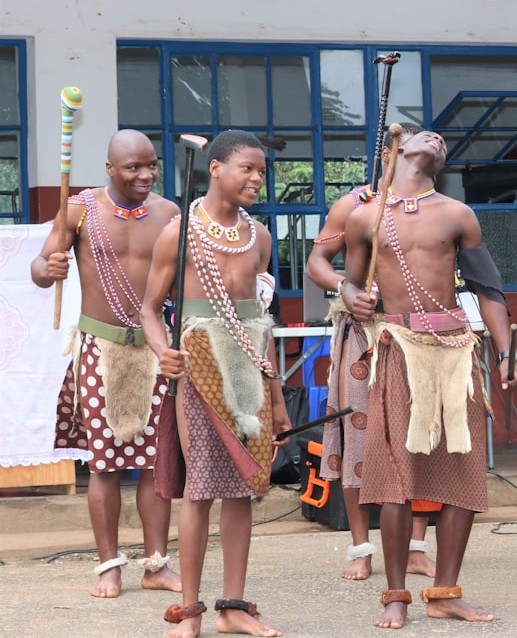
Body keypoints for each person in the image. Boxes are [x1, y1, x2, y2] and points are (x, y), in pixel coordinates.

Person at [341, 129, 517, 629]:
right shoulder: (366, 216)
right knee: (398, 475)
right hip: (399, 352)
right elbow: (352, 286)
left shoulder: (457, 214)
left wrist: (508, 351)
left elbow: (489, 289)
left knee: (462, 474)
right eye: (425, 132)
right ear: (395, 150)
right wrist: (349, 294)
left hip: (456, 352)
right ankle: (396, 594)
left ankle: (444, 592)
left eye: (443, 139)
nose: (437, 137)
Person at [141, 130, 292, 637]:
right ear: (216, 168)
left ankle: (233, 608)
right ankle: (189, 614)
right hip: (199, 371)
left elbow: (259, 321)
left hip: (248, 371)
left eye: (261, 171)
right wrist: (165, 353)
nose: (256, 178)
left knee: (243, 488)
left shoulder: (260, 238)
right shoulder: (178, 233)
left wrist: (275, 398)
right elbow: (149, 309)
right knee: (200, 491)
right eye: (247, 168)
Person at [30, 129, 182, 599]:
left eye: (151, 165)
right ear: (110, 169)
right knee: (104, 464)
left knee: (157, 463)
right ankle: (109, 565)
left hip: (157, 351)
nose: (145, 174)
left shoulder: (169, 213)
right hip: (100, 348)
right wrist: (47, 269)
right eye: (133, 167)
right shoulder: (79, 209)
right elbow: (39, 266)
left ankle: (156, 564)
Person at [305, 122, 436, 582]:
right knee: (358, 437)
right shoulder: (355, 206)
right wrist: (345, 287)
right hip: (362, 332)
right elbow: (316, 262)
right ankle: (361, 546)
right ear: (387, 155)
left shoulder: (436, 208)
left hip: (418, 336)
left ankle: (417, 546)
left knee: (419, 435)